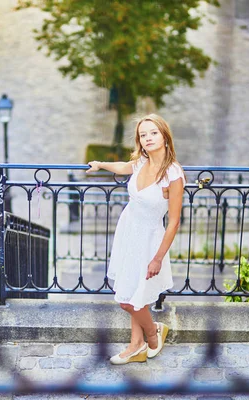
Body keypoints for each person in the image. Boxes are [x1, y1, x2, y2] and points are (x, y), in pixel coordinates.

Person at [86, 114, 185, 365]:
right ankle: (136, 346)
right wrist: (99, 164)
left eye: (153, 133)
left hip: (149, 241)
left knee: (128, 300)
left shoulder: (173, 175)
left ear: (164, 136)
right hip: (128, 233)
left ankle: (153, 335)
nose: (148, 138)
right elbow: (122, 167)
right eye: (143, 135)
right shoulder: (141, 162)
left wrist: (158, 258)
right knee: (132, 292)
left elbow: (173, 222)